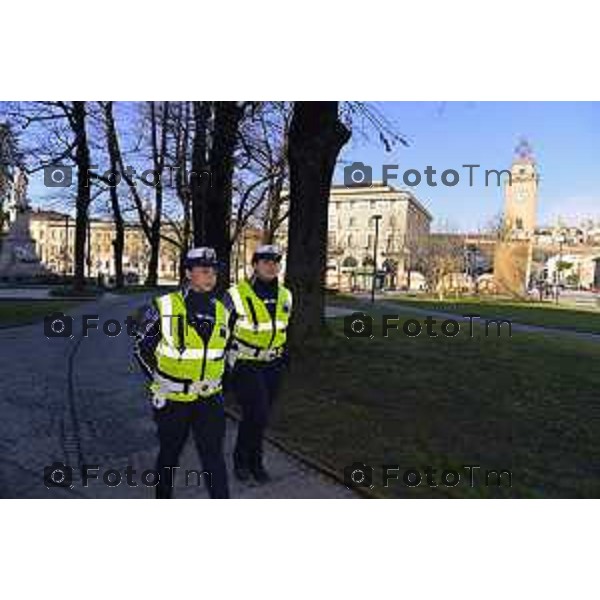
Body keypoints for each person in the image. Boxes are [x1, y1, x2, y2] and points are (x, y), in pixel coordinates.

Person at [133, 247, 230, 499]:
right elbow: (142, 349)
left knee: (214, 458)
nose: (211, 276)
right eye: (204, 270)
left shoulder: (222, 311)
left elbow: (225, 353)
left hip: (210, 400)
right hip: (173, 400)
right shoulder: (163, 306)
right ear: (188, 272)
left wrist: (223, 383)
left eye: (214, 271)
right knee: (169, 455)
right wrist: (161, 382)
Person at [223, 244, 293, 484]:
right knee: (257, 413)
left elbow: (285, 328)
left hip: (273, 365)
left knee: (259, 417)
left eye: (275, 262)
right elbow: (219, 332)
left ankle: (250, 460)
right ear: (254, 265)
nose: (271, 266)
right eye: (265, 262)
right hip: (245, 363)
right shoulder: (235, 294)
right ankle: (247, 462)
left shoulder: (286, 295)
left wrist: (285, 356)